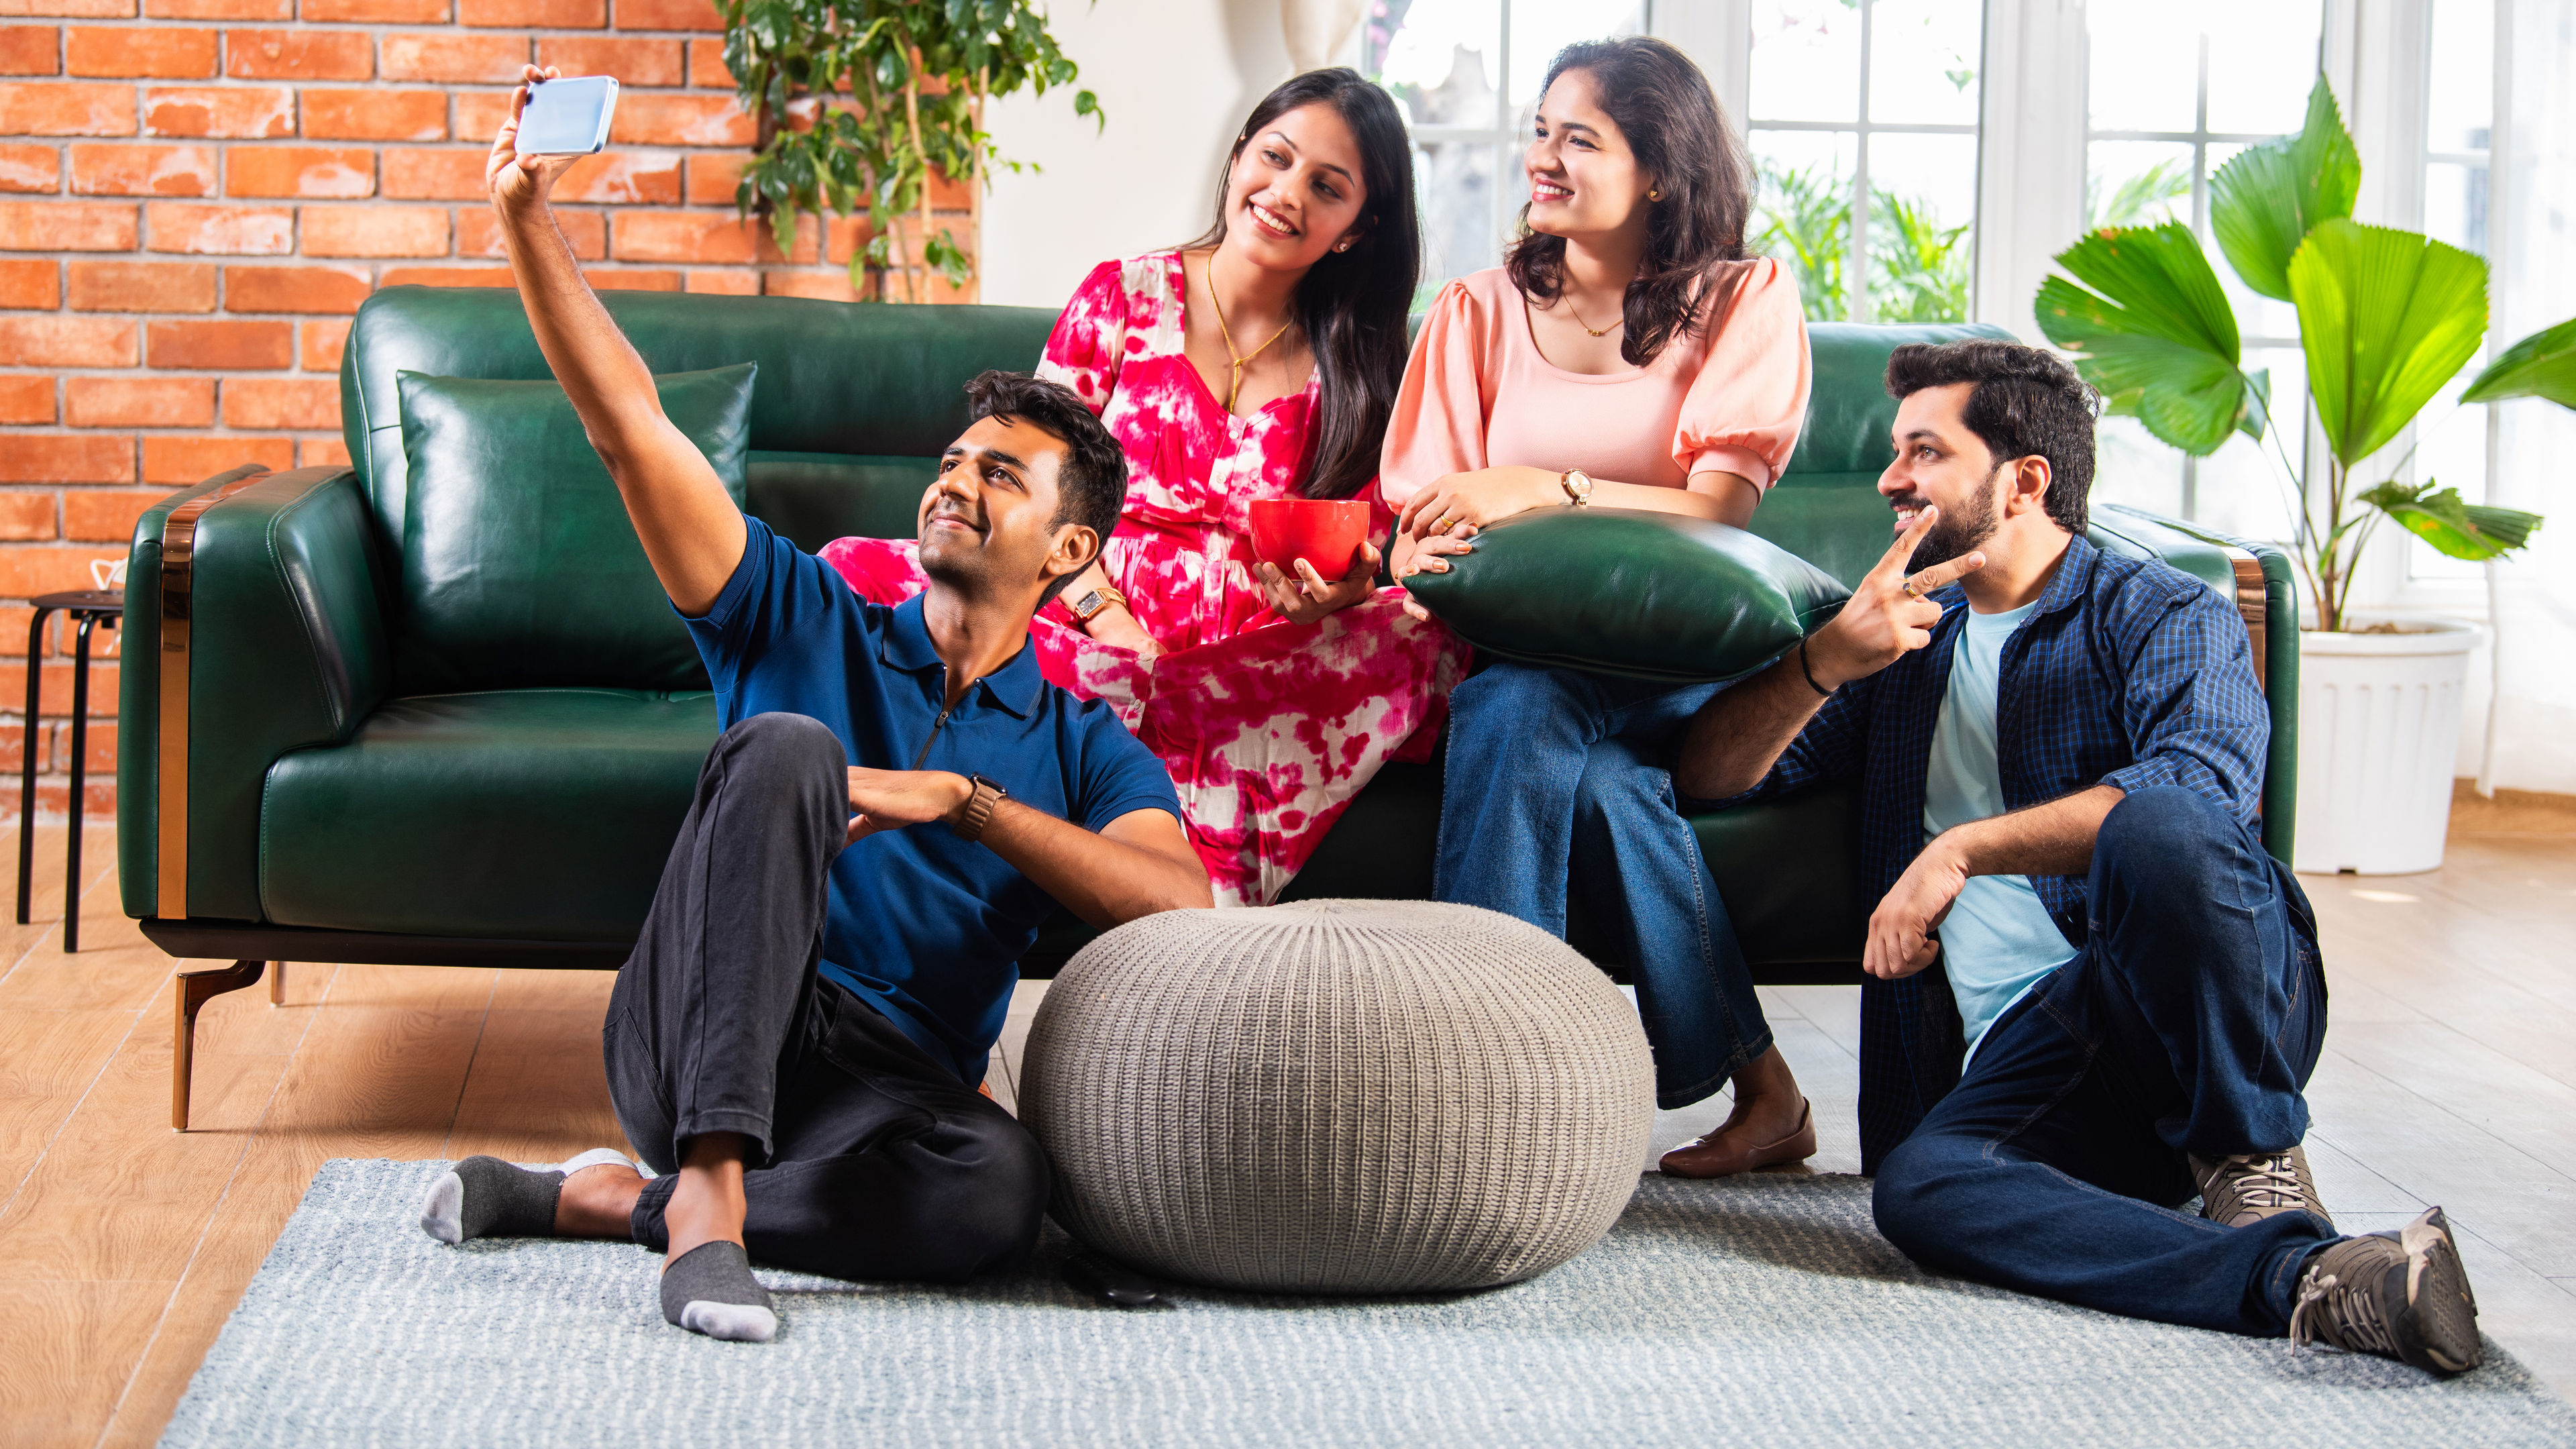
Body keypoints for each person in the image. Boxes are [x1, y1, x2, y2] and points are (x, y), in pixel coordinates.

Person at [415, 66, 1213, 1345]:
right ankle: (713, 1210)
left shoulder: (1079, 744)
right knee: (790, 745)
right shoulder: (797, 611)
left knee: (996, 1202)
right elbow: (630, 428)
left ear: (1069, 556)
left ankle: (613, 1205)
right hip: (698, 1030)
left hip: (884, 1085)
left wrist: (966, 805)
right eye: (953, 463)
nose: (956, 484)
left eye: (1001, 476)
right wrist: (523, 219)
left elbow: (1182, 906)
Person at [1672, 338, 2482, 1372]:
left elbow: (2202, 791)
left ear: (2024, 481)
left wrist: (1964, 848)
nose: (1889, 479)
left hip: (2193, 1004)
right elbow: (1714, 774)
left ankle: (2249, 1152)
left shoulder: (2161, 611)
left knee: (2160, 822)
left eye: (1923, 452)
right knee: (1921, 1191)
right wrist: (1826, 659)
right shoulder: (1900, 644)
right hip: (2040, 1062)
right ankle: (2312, 1282)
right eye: (1893, 454)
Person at [824, 68, 1468, 907]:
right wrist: (1106, 613)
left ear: (1356, 228)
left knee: (1429, 629)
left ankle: (1147, 725)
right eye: (1273, 158)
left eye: (1327, 187)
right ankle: (1153, 733)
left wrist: (1335, 596)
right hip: (1076, 616)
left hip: (1244, 662)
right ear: (1239, 158)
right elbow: (1033, 483)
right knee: (847, 568)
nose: (1285, 194)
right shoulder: (1122, 297)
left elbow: (1366, 550)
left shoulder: (1367, 363)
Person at [1380, 36, 1817, 1171]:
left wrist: (1545, 487)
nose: (1546, 158)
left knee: (1522, 719)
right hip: (1526, 650)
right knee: (1586, 767)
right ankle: (1762, 1094)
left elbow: (1719, 507)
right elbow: (1423, 508)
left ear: (1660, 169)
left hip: (1687, 666)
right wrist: (1426, 543)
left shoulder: (1742, 299)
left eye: (1581, 138)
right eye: (1541, 131)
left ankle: (1488, 1085)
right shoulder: (1476, 312)